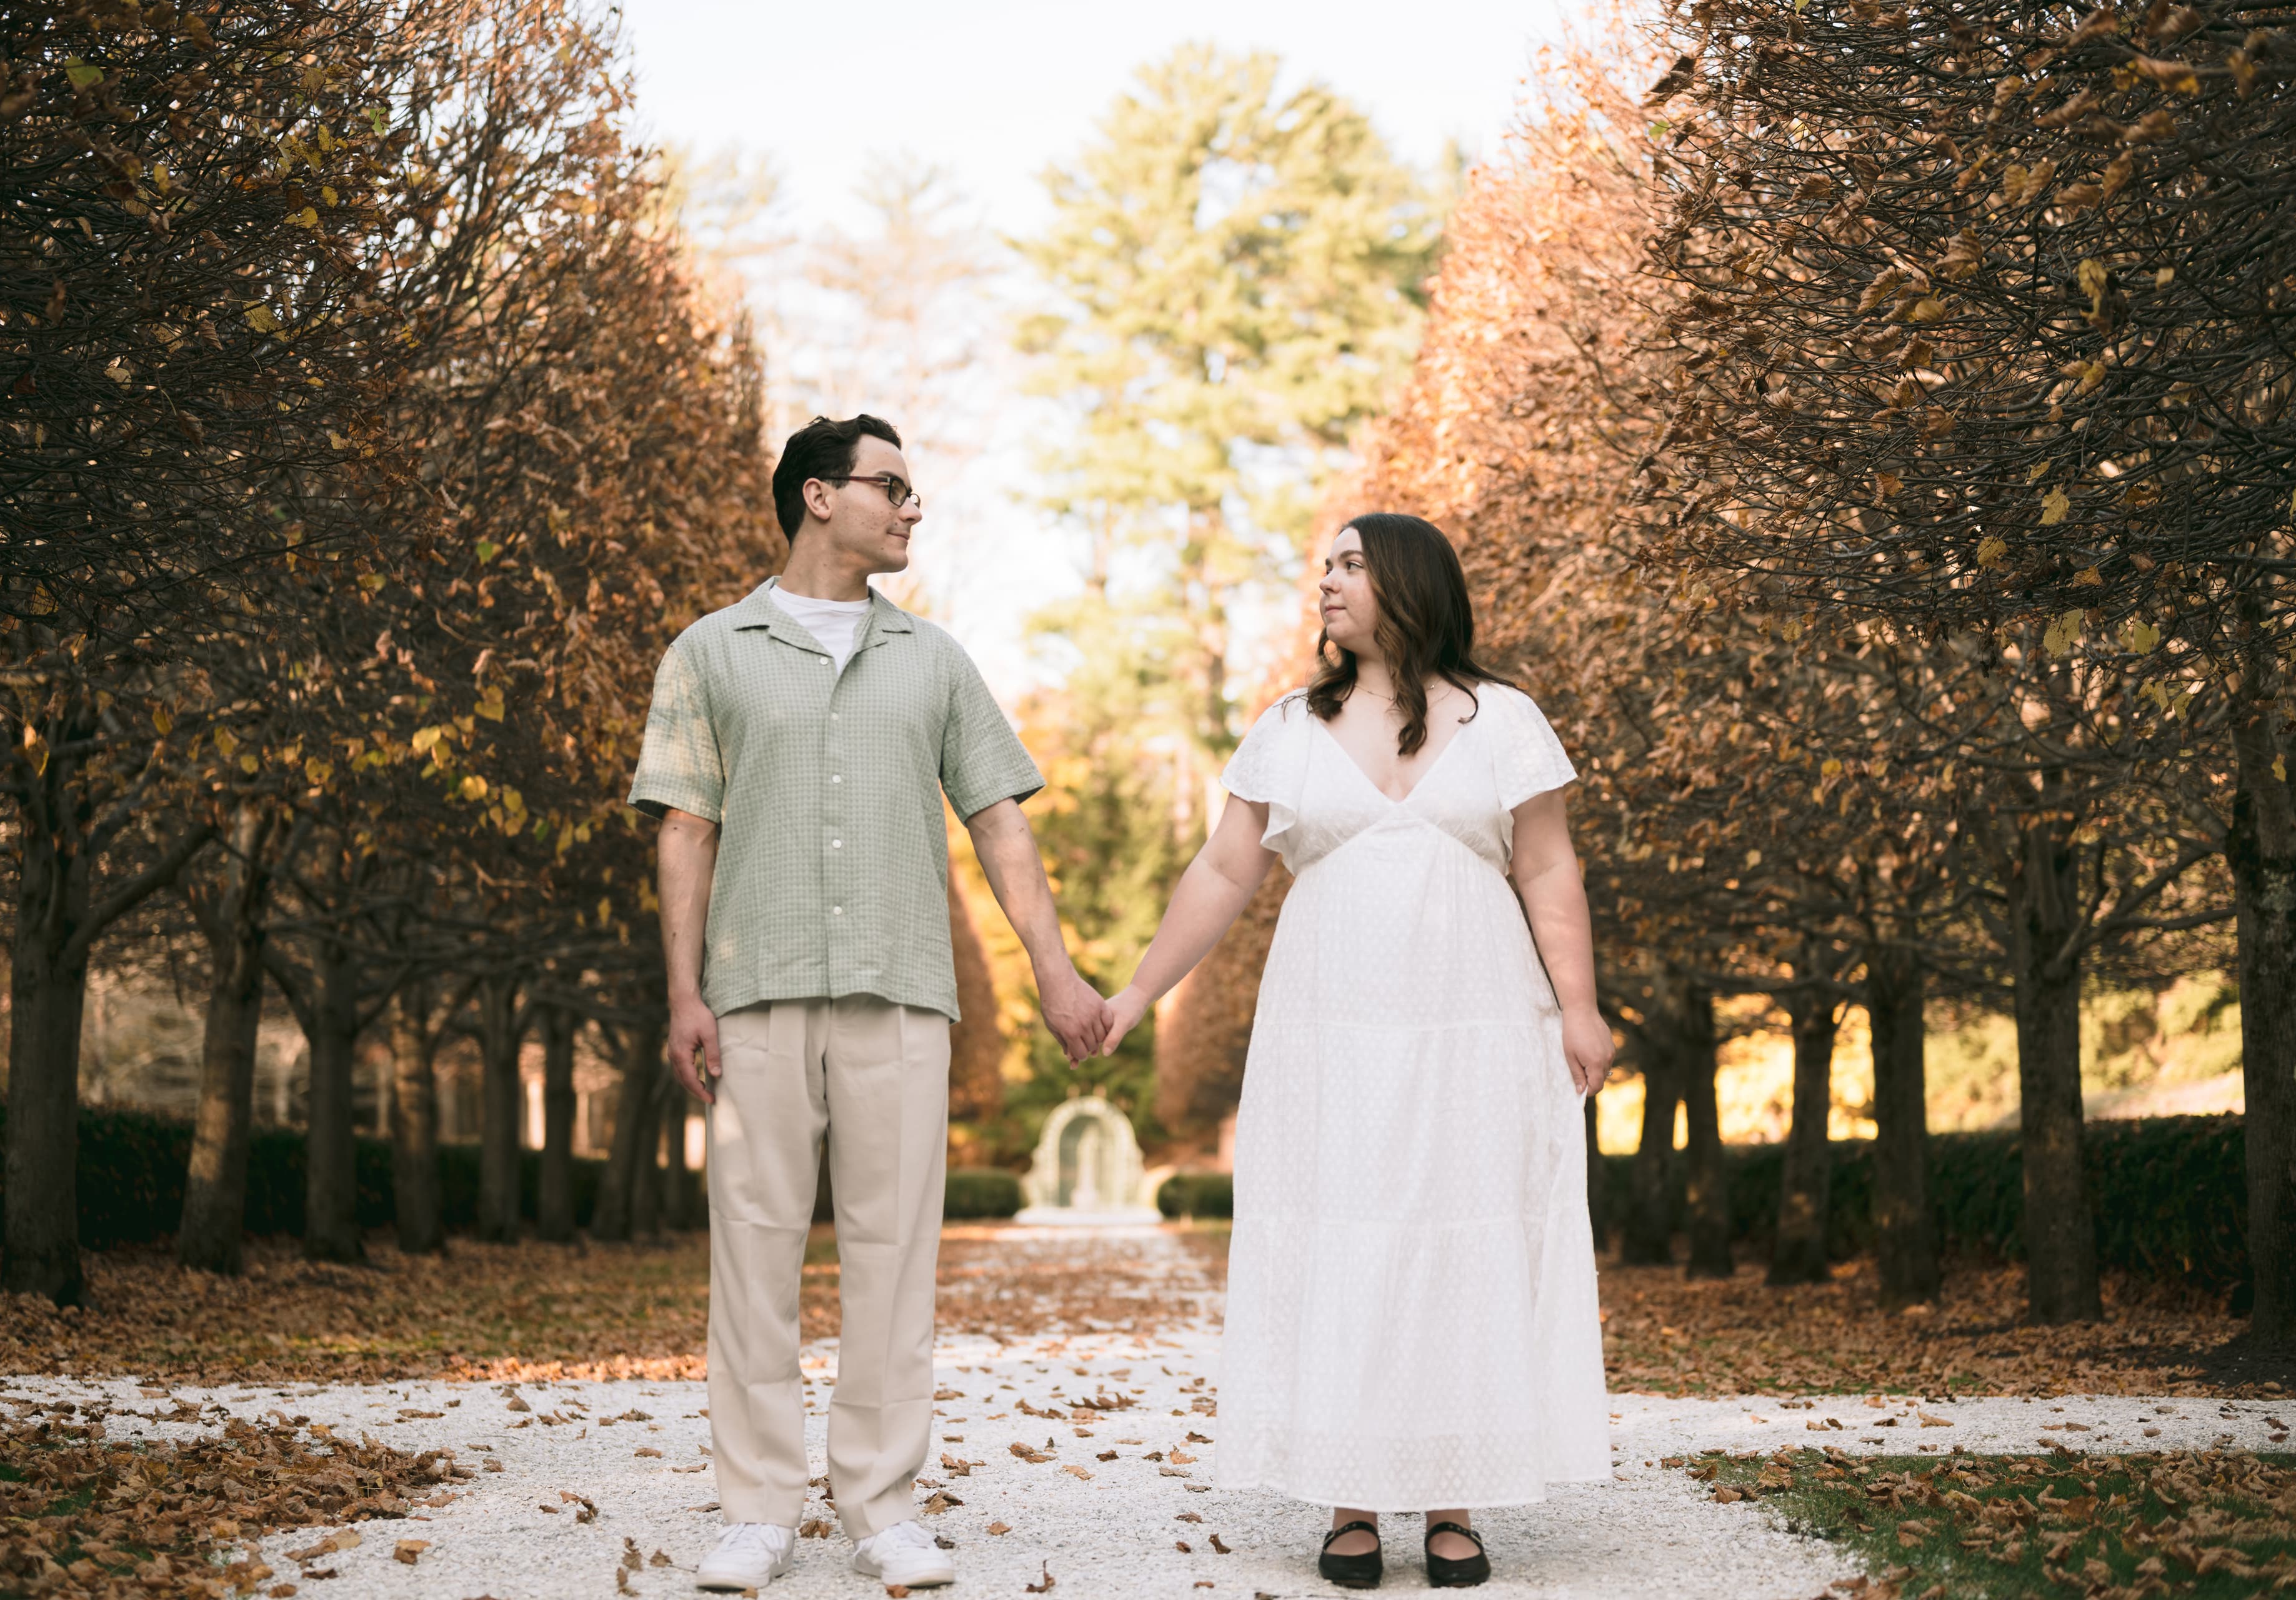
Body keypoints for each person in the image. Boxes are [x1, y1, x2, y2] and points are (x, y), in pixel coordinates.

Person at [630, 414, 1110, 1593]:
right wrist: (684, 991)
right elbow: (686, 828)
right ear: (816, 498)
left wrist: (1054, 968)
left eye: (910, 489)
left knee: (895, 1259)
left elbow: (999, 818)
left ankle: (884, 1507)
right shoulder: (709, 652)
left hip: (903, 990)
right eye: (889, 486)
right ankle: (757, 1510)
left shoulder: (936, 661)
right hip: (756, 991)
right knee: (753, 1254)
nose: (910, 508)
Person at [1101, 512, 1614, 1590]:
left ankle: (1453, 1502)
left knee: (1457, 1233)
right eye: (1324, 567)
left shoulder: (1503, 719)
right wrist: (1140, 992)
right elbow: (1223, 873)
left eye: (1347, 565)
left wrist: (1580, 1005)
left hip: (1473, 1020)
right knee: (1344, 1236)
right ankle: (1349, 1503)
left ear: (1408, 582)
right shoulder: (1288, 726)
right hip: (1329, 1028)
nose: (1325, 584)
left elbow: (1549, 869)